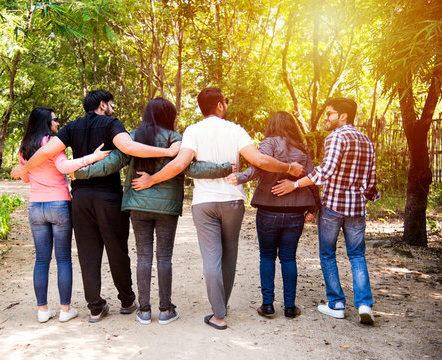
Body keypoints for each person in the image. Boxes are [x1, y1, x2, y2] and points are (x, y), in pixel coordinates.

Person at [131, 88, 305, 330]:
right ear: (220, 106)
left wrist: (151, 179)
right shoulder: (235, 130)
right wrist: (289, 169)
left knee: (211, 258)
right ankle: (222, 304)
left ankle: (218, 315)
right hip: (233, 201)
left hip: (204, 204)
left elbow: (180, 164)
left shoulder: (193, 130)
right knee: (229, 255)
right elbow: (260, 161)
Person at [11, 90, 181, 322]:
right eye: (111, 104)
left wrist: (24, 168)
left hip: (80, 197)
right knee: (117, 249)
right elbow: (129, 148)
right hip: (107, 196)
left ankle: (95, 307)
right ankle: (127, 300)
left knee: (87, 252)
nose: (113, 108)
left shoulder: (71, 126)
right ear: (102, 105)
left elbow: (46, 151)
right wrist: (167, 152)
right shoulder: (112, 124)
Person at [75, 97, 233, 325]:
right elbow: (192, 168)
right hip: (166, 206)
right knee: (164, 256)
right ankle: (166, 310)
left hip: (138, 204)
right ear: (170, 116)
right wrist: (225, 168)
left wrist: (79, 171)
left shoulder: (133, 137)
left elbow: (110, 163)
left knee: (144, 256)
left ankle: (144, 311)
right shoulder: (176, 140)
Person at [271, 98, 380, 325]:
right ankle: (364, 304)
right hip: (357, 208)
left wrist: (296, 184)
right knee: (357, 255)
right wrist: (366, 196)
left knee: (328, 255)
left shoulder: (336, 137)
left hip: (332, 207)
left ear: (343, 116)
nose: (326, 118)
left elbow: (326, 171)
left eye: (329, 114)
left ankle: (337, 305)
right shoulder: (367, 140)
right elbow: (371, 180)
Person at [18, 107, 110, 323]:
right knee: (63, 258)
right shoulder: (52, 143)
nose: (58, 123)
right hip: (58, 203)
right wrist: (92, 157)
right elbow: (64, 167)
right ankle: (65, 309)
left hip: (35, 206)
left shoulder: (23, 147)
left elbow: (25, 179)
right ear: (45, 122)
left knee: (41, 260)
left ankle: (42, 311)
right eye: (55, 120)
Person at [227, 111, 320, 319]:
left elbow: (259, 166)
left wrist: (239, 177)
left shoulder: (269, 143)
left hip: (269, 209)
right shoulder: (301, 148)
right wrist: (313, 208)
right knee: (288, 258)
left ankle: (267, 305)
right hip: (296, 211)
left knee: (267, 256)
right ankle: (289, 307)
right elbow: (312, 178)